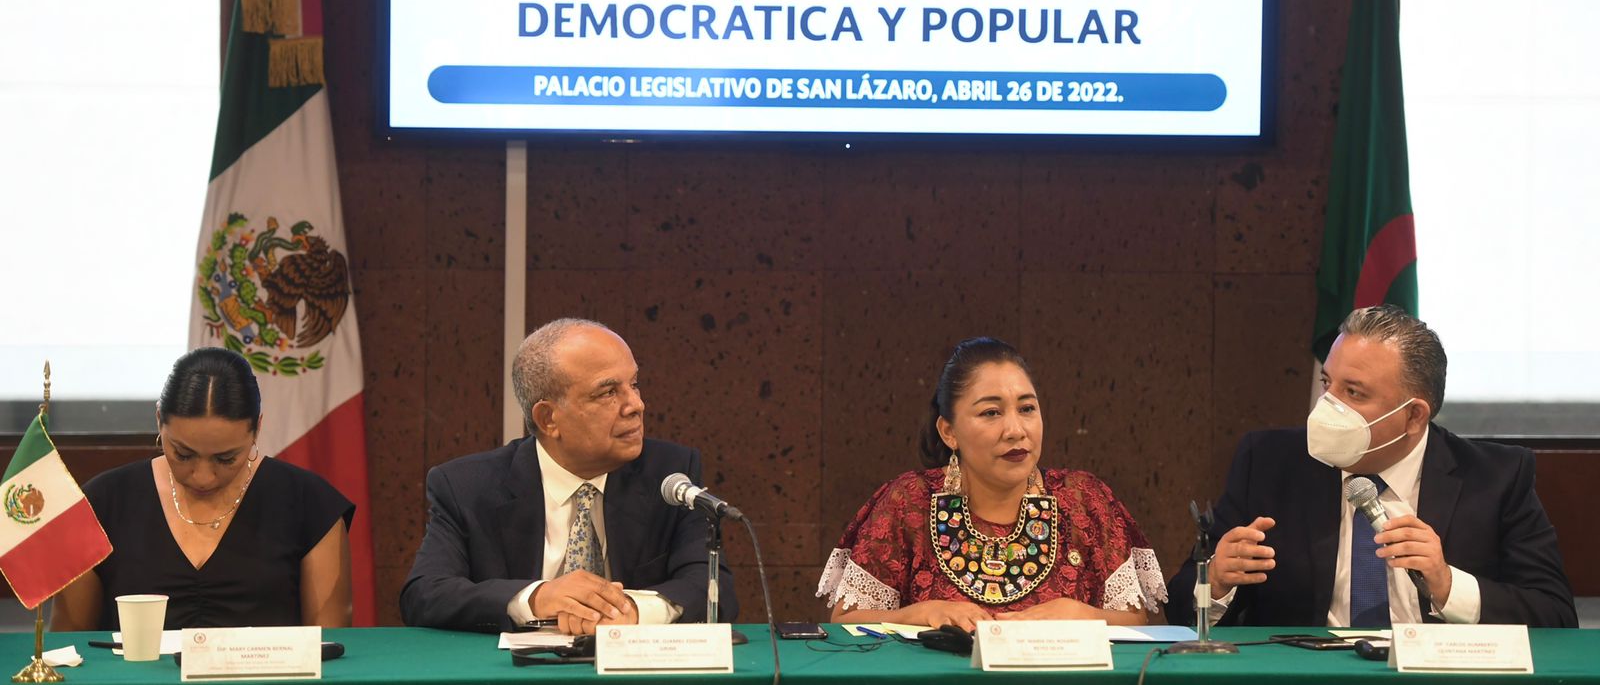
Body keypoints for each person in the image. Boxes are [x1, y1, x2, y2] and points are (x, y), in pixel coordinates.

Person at [1167, 304, 1577, 629]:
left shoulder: (1495, 478)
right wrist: (1215, 581)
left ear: (1414, 416)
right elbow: (1180, 606)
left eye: (1354, 393)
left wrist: (1448, 585)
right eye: (1328, 384)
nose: (1328, 406)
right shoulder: (1270, 463)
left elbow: (1555, 615)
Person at [400, 318, 736, 634]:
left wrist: (634, 610)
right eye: (608, 392)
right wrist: (536, 598)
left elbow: (713, 587)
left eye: (633, 385)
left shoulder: (670, 475)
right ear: (548, 419)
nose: (636, 405)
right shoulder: (467, 487)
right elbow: (425, 594)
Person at [817, 337, 1166, 630]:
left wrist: (1080, 614)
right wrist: (921, 613)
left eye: (1027, 409)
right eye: (991, 413)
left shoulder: (1084, 500)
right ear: (949, 431)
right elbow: (846, 622)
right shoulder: (909, 501)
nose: (1015, 430)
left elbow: (1135, 621)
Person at [52, 348, 353, 631]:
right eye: (183, 454)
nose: (203, 477)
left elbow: (328, 644)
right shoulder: (103, 503)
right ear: (159, 420)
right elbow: (69, 646)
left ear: (257, 428)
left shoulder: (308, 504)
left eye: (226, 459)